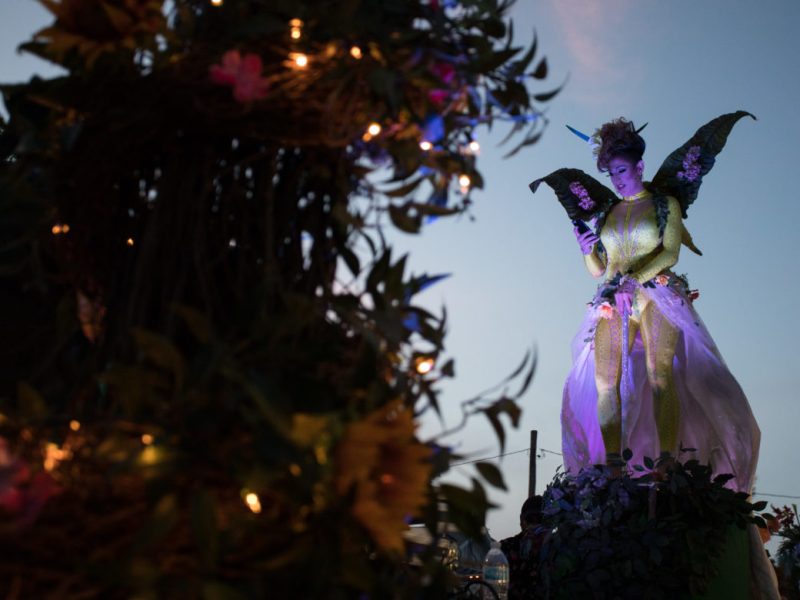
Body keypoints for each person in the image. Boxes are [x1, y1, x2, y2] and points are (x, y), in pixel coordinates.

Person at [539, 115, 761, 492]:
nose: (617, 179)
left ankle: (667, 463)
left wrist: (631, 280)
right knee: (605, 380)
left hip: (656, 294)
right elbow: (598, 269)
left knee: (661, 376)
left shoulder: (664, 204)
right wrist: (584, 253)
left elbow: (670, 253)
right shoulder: (607, 213)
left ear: (639, 166)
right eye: (611, 173)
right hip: (612, 300)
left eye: (622, 170)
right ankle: (611, 467)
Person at [500, 495, 547, 600]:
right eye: (530, 519)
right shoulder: (506, 547)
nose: (534, 525)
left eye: (540, 519)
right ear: (522, 521)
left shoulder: (555, 551)